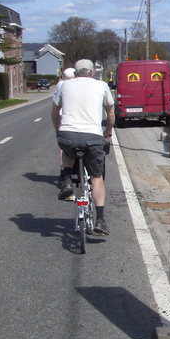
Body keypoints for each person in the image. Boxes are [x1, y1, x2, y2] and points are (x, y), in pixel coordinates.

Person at [52, 59, 115, 235]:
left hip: (68, 134)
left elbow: (54, 111)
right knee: (96, 178)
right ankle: (100, 220)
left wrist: (59, 130)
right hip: (93, 136)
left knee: (67, 150)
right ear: (92, 72)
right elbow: (110, 113)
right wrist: (108, 131)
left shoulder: (64, 86)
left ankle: (65, 179)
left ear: (76, 72)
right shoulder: (102, 86)